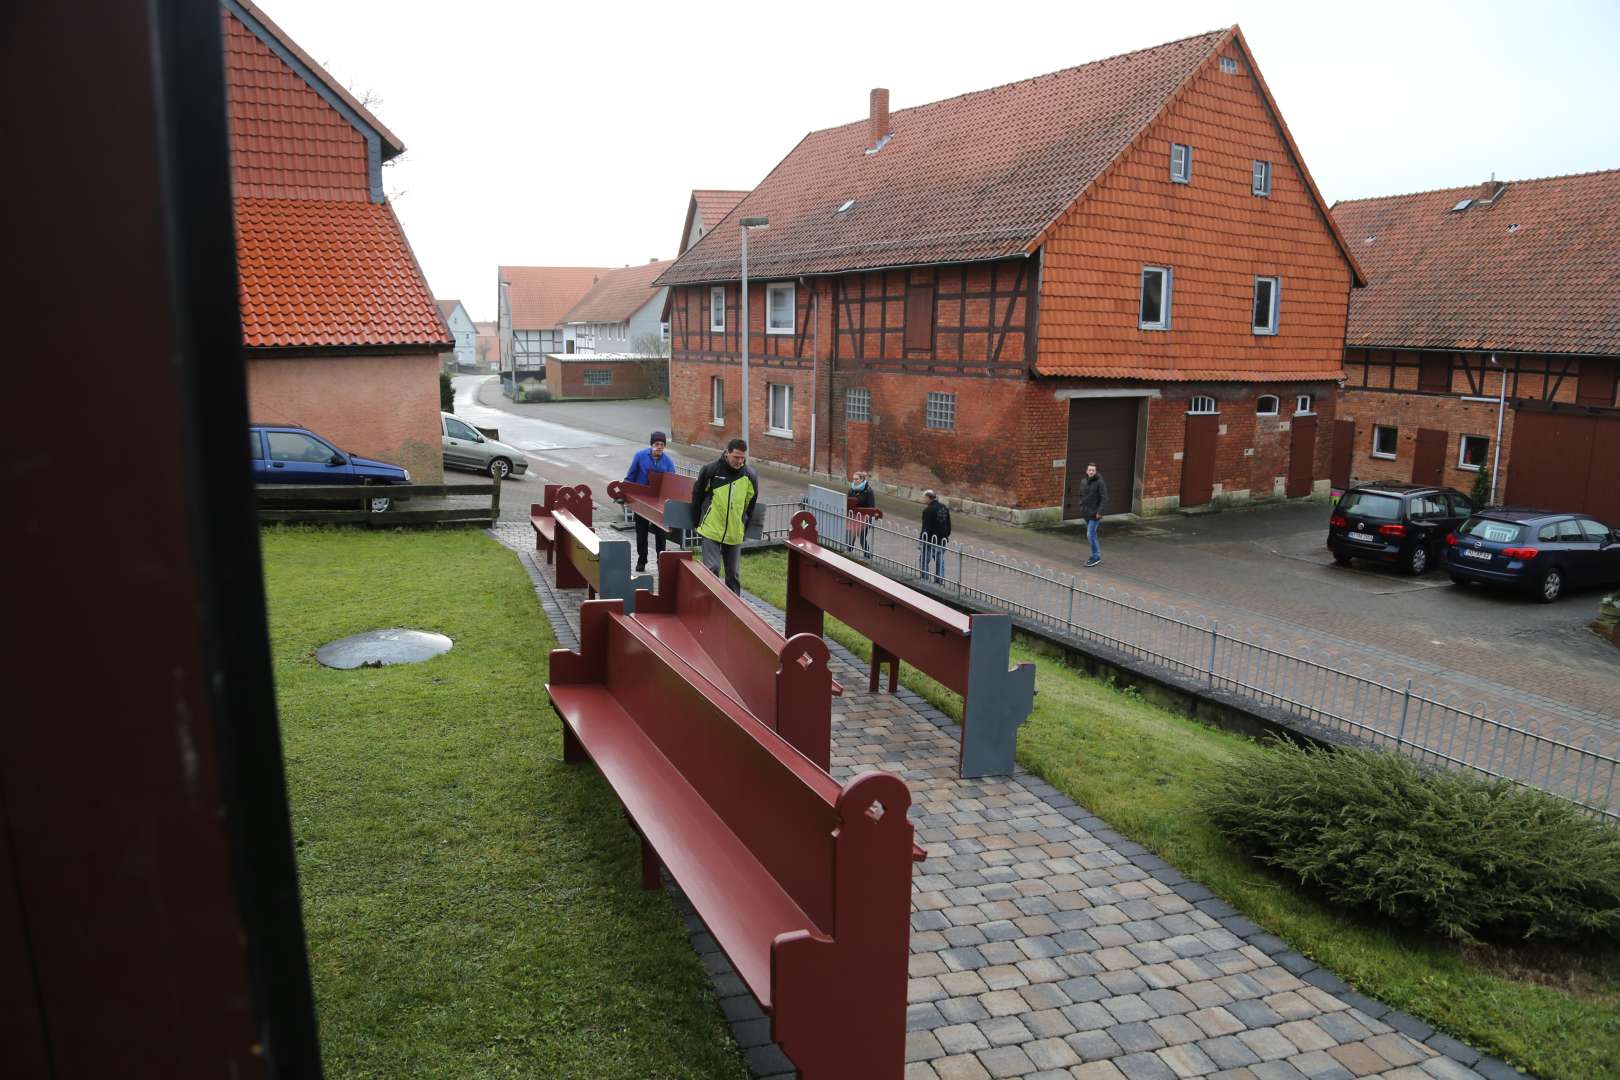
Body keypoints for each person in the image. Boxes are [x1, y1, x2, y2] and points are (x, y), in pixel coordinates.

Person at [692, 438, 758, 595]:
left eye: (742, 457)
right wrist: (696, 521)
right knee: (712, 568)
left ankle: (734, 610)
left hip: (735, 532)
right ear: (727, 453)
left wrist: (744, 526)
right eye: (736, 457)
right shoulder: (711, 470)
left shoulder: (750, 476)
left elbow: (751, 505)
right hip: (711, 529)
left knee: (733, 575)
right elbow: (697, 495)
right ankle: (708, 603)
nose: (740, 461)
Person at [622, 431, 676, 571]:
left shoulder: (668, 463)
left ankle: (660, 561)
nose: (659, 447)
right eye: (657, 444)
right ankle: (642, 560)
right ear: (651, 445)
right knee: (641, 532)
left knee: (660, 535)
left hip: (659, 504)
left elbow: (671, 484)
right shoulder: (640, 457)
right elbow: (630, 476)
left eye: (662, 445)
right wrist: (625, 492)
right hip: (641, 502)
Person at [1078, 462, 1107, 567]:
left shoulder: (1100, 483)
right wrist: (1081, 506)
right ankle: (1095, 555)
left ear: (1095, 471)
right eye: (1089, 470)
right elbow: (1081, 495)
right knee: (1092, 534)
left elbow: (1104, 498)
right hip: (1086, 512)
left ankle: (1096, 556)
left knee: (1090, 534)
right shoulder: (1083, 482)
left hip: (1095, 514)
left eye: (1093, 470)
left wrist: (1100, 512)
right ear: (1086, 471)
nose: (1091, 472)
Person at [918, 489, 951, 584]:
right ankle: (939, 581)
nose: (922, 499)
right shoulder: (944, 507)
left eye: (923, 497)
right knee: (939, 562)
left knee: (924, 561)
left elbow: (925, 528)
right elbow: (948, 524)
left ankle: (924, 579)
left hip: (930, 541)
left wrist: (922, 540)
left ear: (928, 498)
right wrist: (945, 536)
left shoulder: (928, 510)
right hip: (941, 541)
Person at [846, 471, 876, 558]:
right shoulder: (851, 490)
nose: (854, 481)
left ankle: (867, 556)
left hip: (865, 518)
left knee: (862, 537)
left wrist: (868, 520)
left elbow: (871, 507)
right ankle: (848, 553)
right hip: (854, 517)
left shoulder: (868, 491)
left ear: (862, 480)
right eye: (853, 479)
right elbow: (848, 504)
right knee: (851, 536)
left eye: (856, 479)